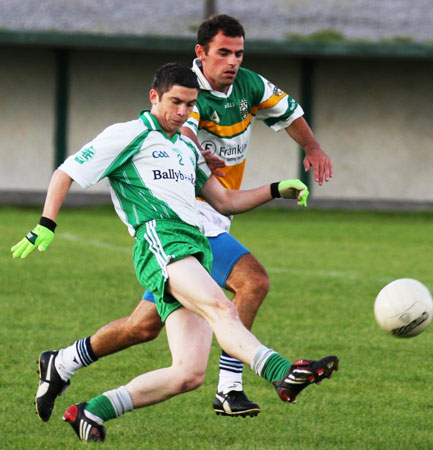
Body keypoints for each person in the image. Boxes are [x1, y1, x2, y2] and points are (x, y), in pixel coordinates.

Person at [12, 62, 339, 443]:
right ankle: (283, 372)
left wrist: (274, 189)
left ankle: (90, 411)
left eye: (189, 104)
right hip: (160, 241)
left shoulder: (186, 146)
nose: (182, 112)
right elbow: (66, 172)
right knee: (222, 307)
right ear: (154, 97)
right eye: (175, 102)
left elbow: (224, 200)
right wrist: (46, 224)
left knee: (188, 374)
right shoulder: (128, 135)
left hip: (194, 245)